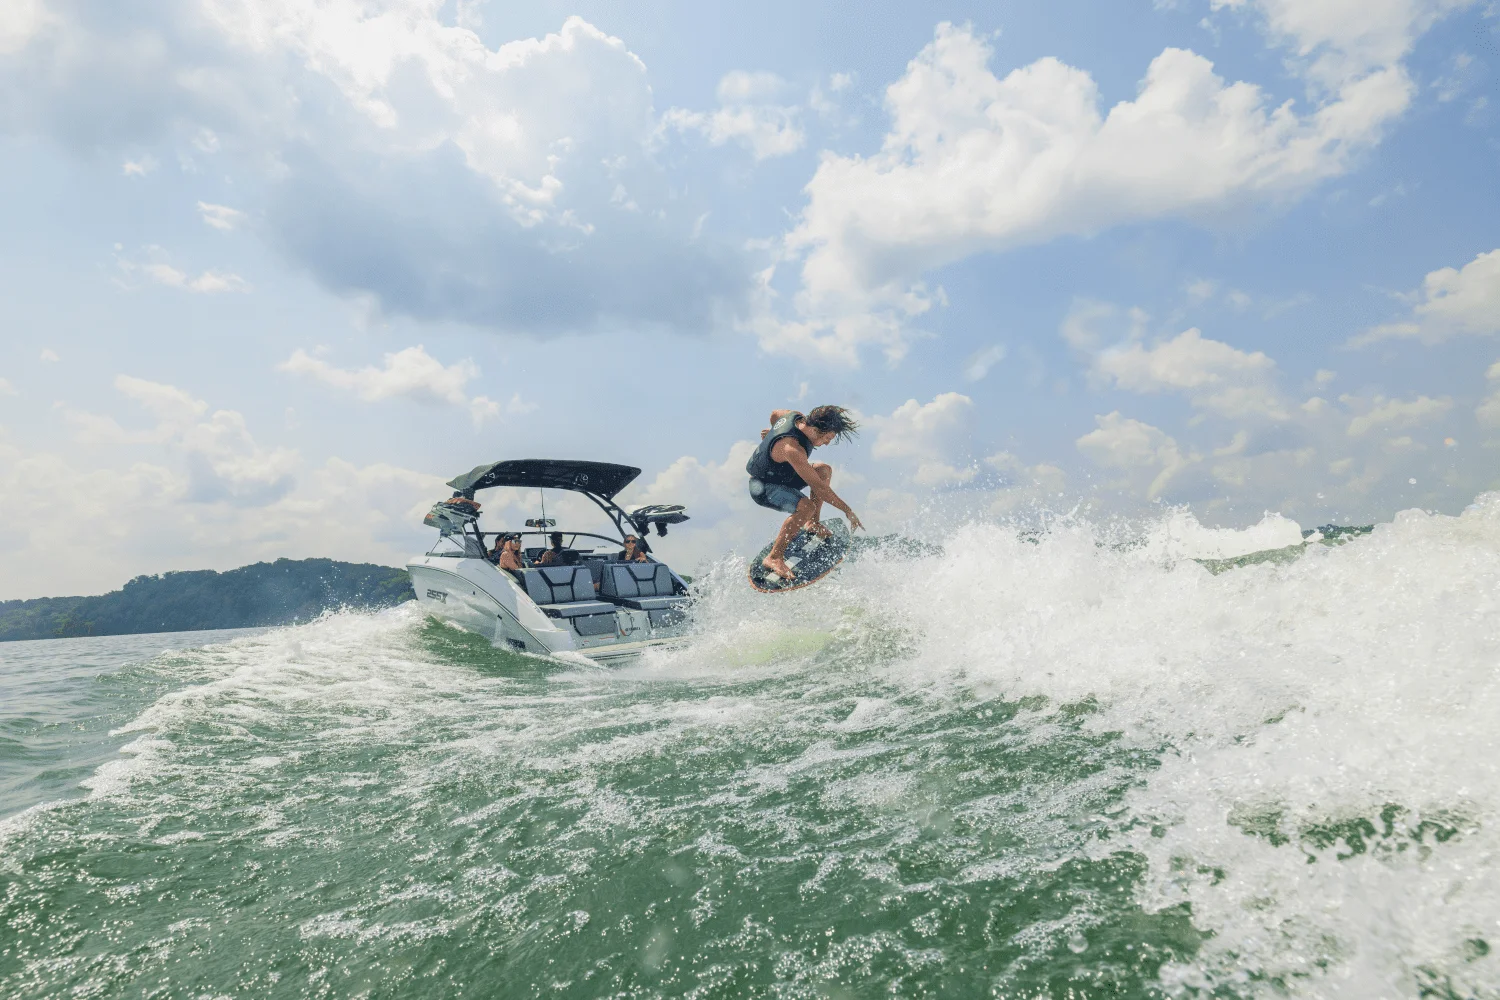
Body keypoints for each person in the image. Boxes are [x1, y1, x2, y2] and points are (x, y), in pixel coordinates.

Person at [746, 405, 864, 580]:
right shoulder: (792, 448)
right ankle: (774, 558)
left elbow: (774, 414)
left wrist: (772, 432)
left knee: (823, 470)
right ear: (816, 430)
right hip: (763, 487)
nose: (827, 443)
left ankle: (812, 523)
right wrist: (848, 511)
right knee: (806, 507)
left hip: (783, 476)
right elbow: (820, 489)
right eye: (827, 438)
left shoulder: (795, 416)